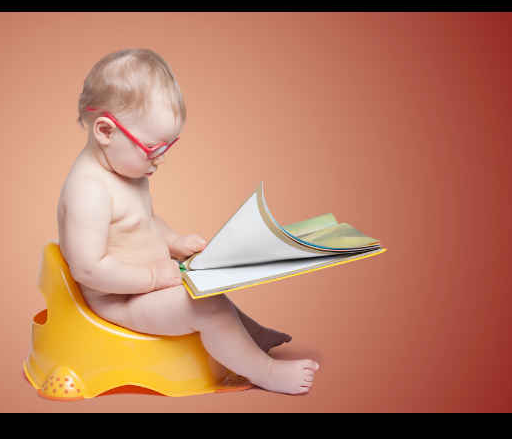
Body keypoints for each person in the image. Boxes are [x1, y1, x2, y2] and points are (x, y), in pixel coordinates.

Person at [57, 49, 319, 394]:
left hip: (148, 288)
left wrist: (174, 242)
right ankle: (266, 372)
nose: (161, 160)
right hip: (118, 303)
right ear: (106, 131)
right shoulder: (88, 190)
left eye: (169, 147)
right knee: (205, 306)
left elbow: (145, 221)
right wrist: (153, 278)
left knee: (210, 289)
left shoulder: (125, 170)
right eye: (153, 149)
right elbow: (88, 269)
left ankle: (251, 337)